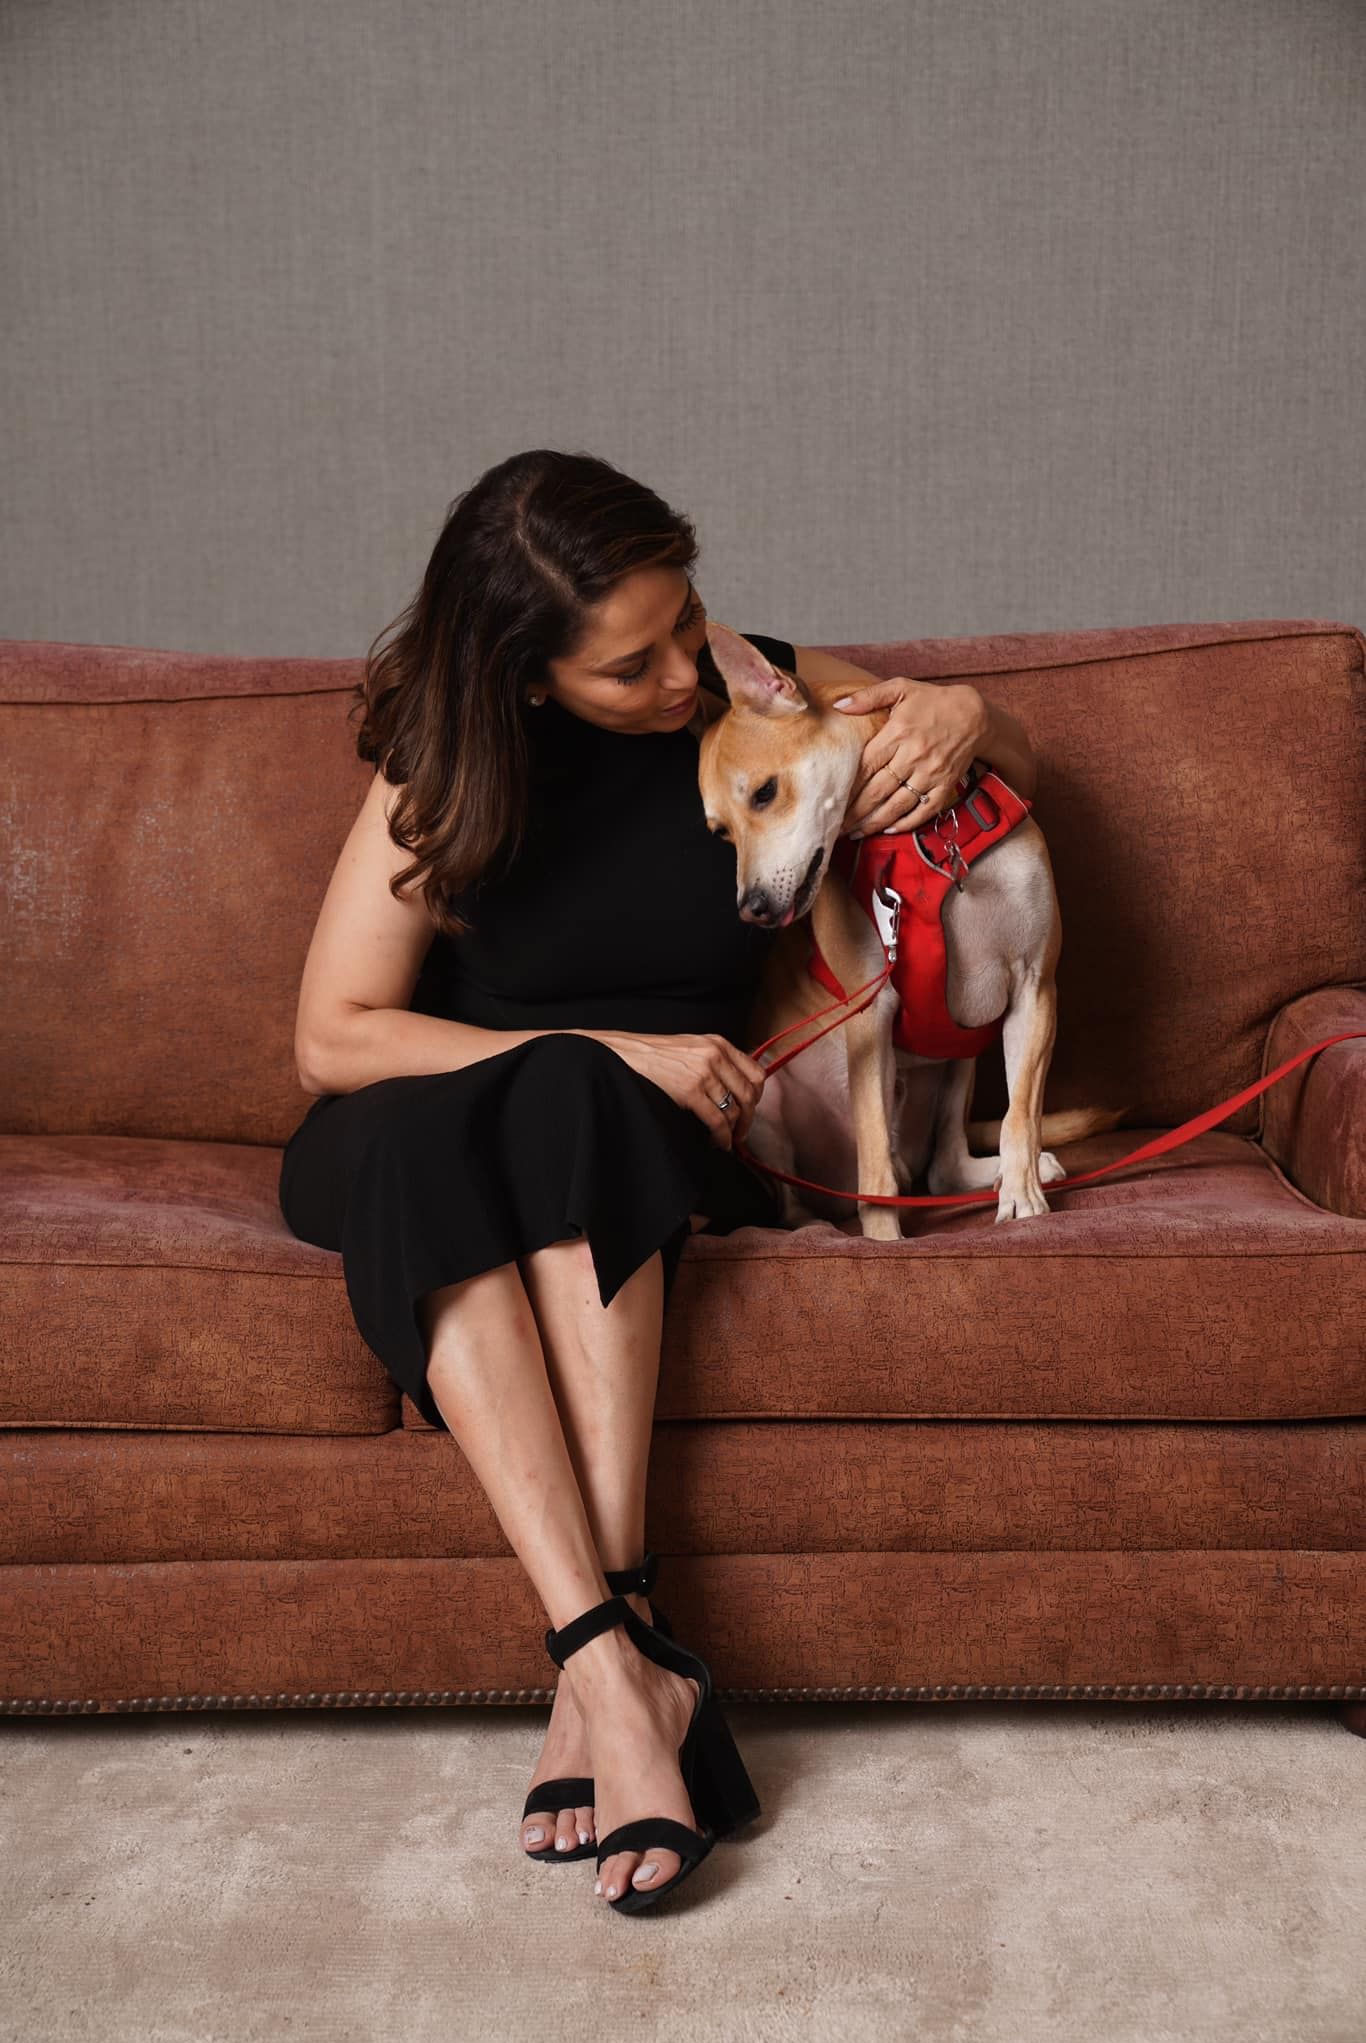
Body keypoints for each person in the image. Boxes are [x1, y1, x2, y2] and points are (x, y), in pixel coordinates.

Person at [277, 447, 1030, 1913]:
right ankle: (620, 1665)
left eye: (685, 621)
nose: (685, 673)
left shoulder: (753, 686)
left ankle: (606, 1677)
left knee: (577, 1103)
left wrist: (964, 711)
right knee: (515, 1102)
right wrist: (614, 1043)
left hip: (641, 1136)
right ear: (525, 678)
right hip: (421, 1126)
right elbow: (333, 1035)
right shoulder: (443, 764)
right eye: (631, 666)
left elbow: (995, 769)